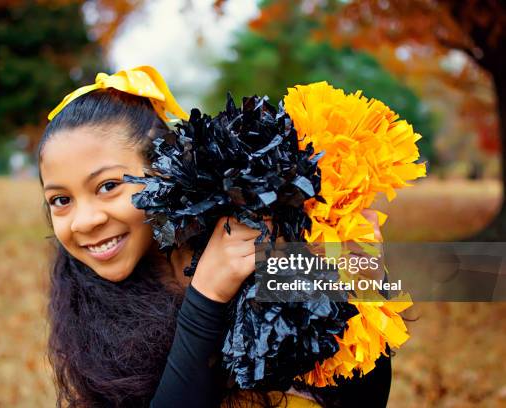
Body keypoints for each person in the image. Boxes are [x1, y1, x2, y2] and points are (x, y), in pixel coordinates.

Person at [37, 66, 391, 408]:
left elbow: (363, 396)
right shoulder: (88, 304)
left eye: (108, 186)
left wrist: (359, 281)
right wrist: (207, 295)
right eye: (61, 200)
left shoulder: (248, 233)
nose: (84, 222)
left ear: (163, 169)